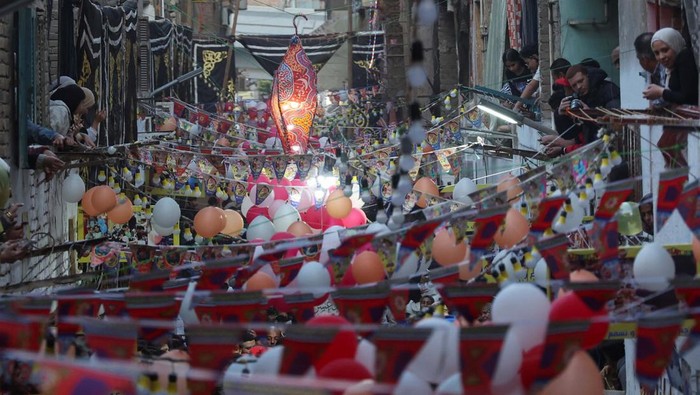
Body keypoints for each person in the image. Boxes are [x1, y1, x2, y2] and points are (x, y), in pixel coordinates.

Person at [642, 27, 698, 168]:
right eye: (657, 53)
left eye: (665, 50)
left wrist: (661, 92)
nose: (661, 57)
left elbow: (688, 96)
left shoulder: (685, 58)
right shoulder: (673, 66)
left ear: (675, 44)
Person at [513, 45, 541, 113]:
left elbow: (531, 86)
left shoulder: (542, 69)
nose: (528, 67)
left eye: (528, 63)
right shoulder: (539, 71)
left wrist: (516, 107)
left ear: (534, 57)